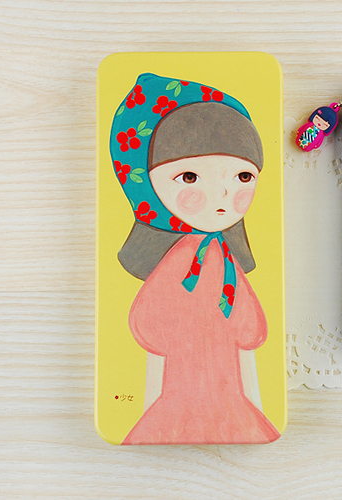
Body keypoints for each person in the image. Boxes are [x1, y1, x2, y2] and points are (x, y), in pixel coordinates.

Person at [109, 73, 280, 444]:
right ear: (147, 185)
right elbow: (155, 344)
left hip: (231, 397)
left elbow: (247, 341)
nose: (222, 193)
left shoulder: (225, 261)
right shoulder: (178, 263)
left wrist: (256, 405)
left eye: (243, 176)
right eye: (189, 176)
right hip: (177, 400)